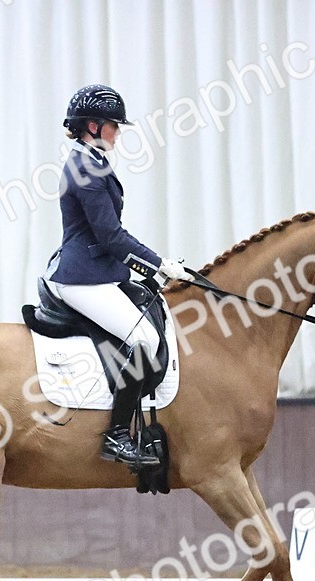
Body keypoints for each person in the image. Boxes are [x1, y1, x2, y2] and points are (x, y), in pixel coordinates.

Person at [45, 84, 187, 468]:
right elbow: (110, 236)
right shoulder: (86, 167)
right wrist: (158, 264)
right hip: (80, 276)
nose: (118, 132)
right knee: (142, 336)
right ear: (92, 126)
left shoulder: (91, 160)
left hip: (97, 269)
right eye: (113, 125)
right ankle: (117, 435)